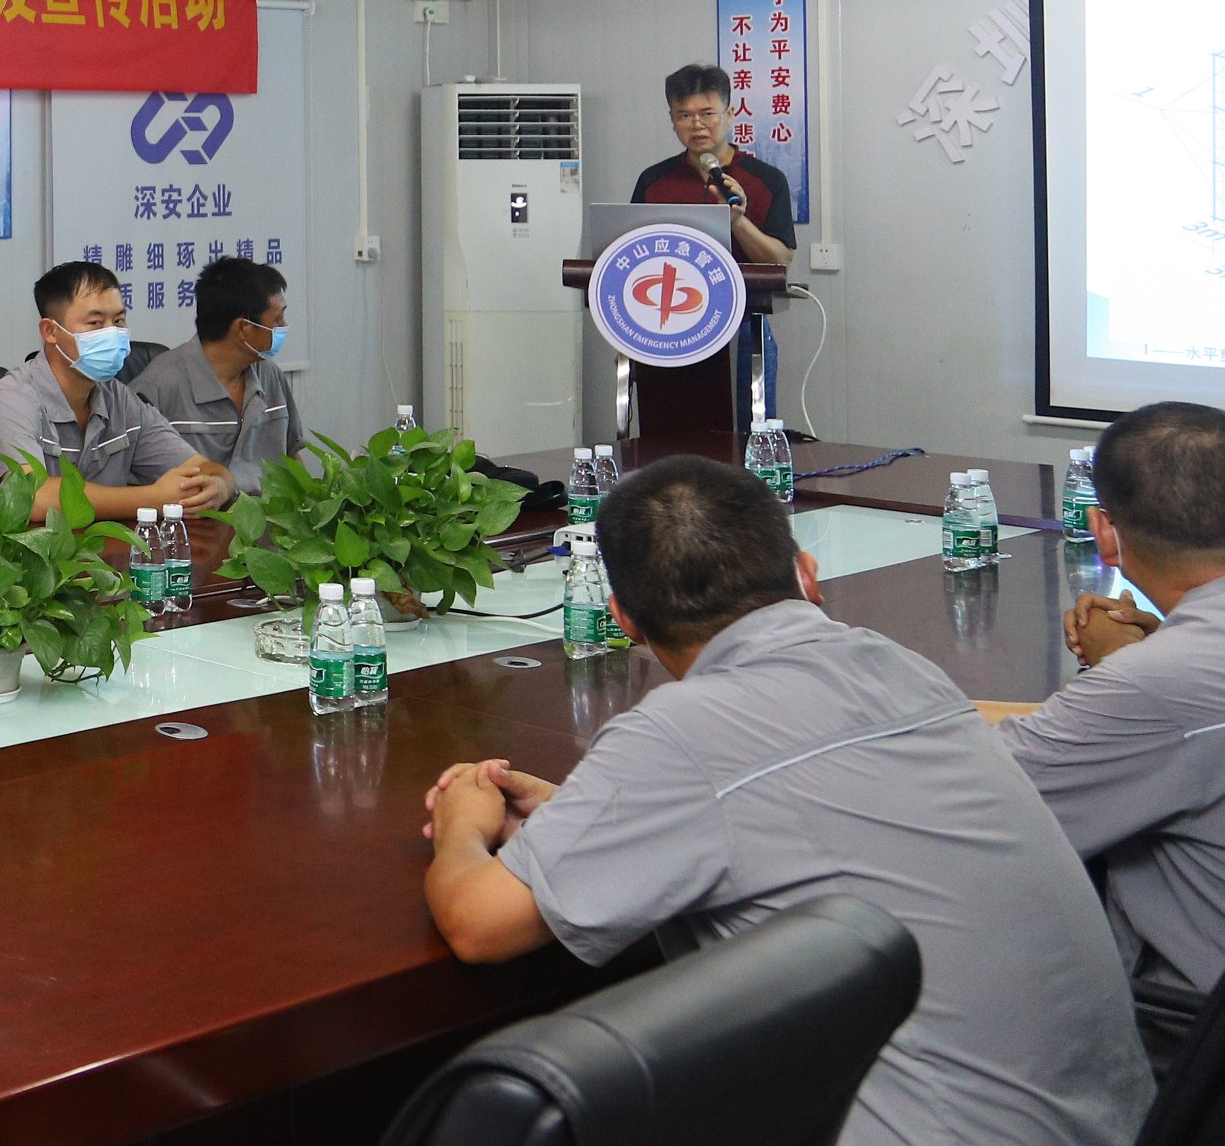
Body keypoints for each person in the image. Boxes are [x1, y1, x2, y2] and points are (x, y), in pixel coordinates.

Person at [421, 457, 1152, 1146]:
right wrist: (593, 814)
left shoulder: (679, 733)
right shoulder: (895, 664)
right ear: (808, 574)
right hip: (1113, 1121)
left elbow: (478, 925)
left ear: (623, 618)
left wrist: (462, 825)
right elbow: (784, 803)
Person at [982, 399, 1225, 1073]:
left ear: (1104, 532)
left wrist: (1130, 672)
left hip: (1187, 1043)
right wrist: (1142, 656)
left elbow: (977, 794)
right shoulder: (1164, 673)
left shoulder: (1155, 684)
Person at [0, 259, 231, 521]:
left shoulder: (119, 399)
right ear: (50, 331)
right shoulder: (9, 400)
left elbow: (201, 467)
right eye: (95, 323)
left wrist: (217, 485)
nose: (112, 333)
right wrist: (152, 498)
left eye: (119, 321)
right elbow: (32, 498)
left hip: (97, 549)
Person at [128, 255, 307, 493]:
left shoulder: (270, 374)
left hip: (272, 513)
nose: (283, 325)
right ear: (243, 328)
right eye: (277, 319)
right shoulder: (157, 388)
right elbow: (134, 483)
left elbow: (292, 455)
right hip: (195, 514)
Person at [631, 60, 795, 267]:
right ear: (672, 120)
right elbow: (632, 249)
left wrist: (737, 221)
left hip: (745, 289)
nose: (697, 124)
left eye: (707, 114)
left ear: (729, 115)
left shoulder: (768, 180)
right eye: (685, 115)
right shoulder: (652, 180)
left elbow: (781, 261)